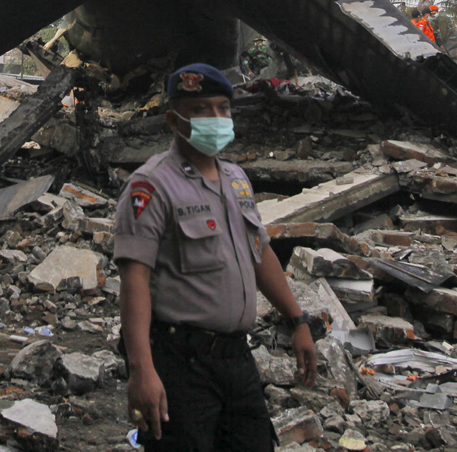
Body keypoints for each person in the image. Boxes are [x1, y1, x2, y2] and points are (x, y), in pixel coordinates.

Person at [113, 63, 317, 451]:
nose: (216, 118)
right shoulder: (151, 185)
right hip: (181, 361)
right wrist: (141, 370)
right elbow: (134, 280)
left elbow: (260, 254)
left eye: (223, 108)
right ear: (175, 120)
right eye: (201, 109)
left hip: (236, 358)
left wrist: (298, 321)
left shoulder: (236, 179)